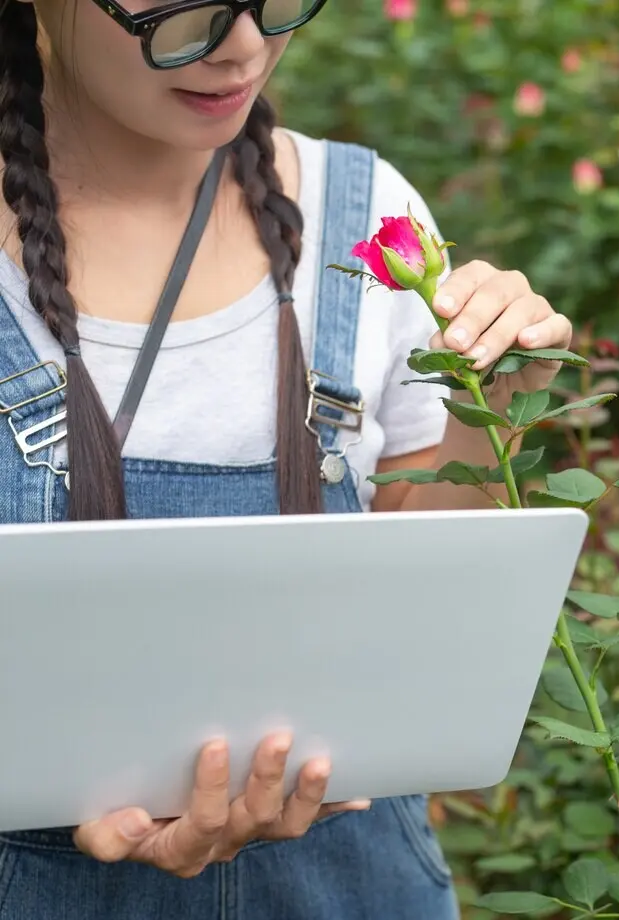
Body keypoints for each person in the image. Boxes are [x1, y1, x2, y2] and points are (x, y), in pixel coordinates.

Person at [0, 0, 573, 915]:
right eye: (187, 7)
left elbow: (421, 611)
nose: (243, 47)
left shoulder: (366, 213)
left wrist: (490, 404)